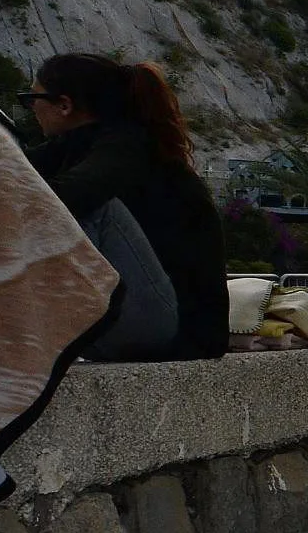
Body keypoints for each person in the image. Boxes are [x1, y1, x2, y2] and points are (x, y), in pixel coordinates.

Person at [21, 53, 226, 361]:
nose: (31, 107)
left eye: (32, 98)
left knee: (88, 209)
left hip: (173, 331)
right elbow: (14, 172)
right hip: (132, 320)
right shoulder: (72, 145)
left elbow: (66, 198)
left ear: (64, 105)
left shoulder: (127, 146)